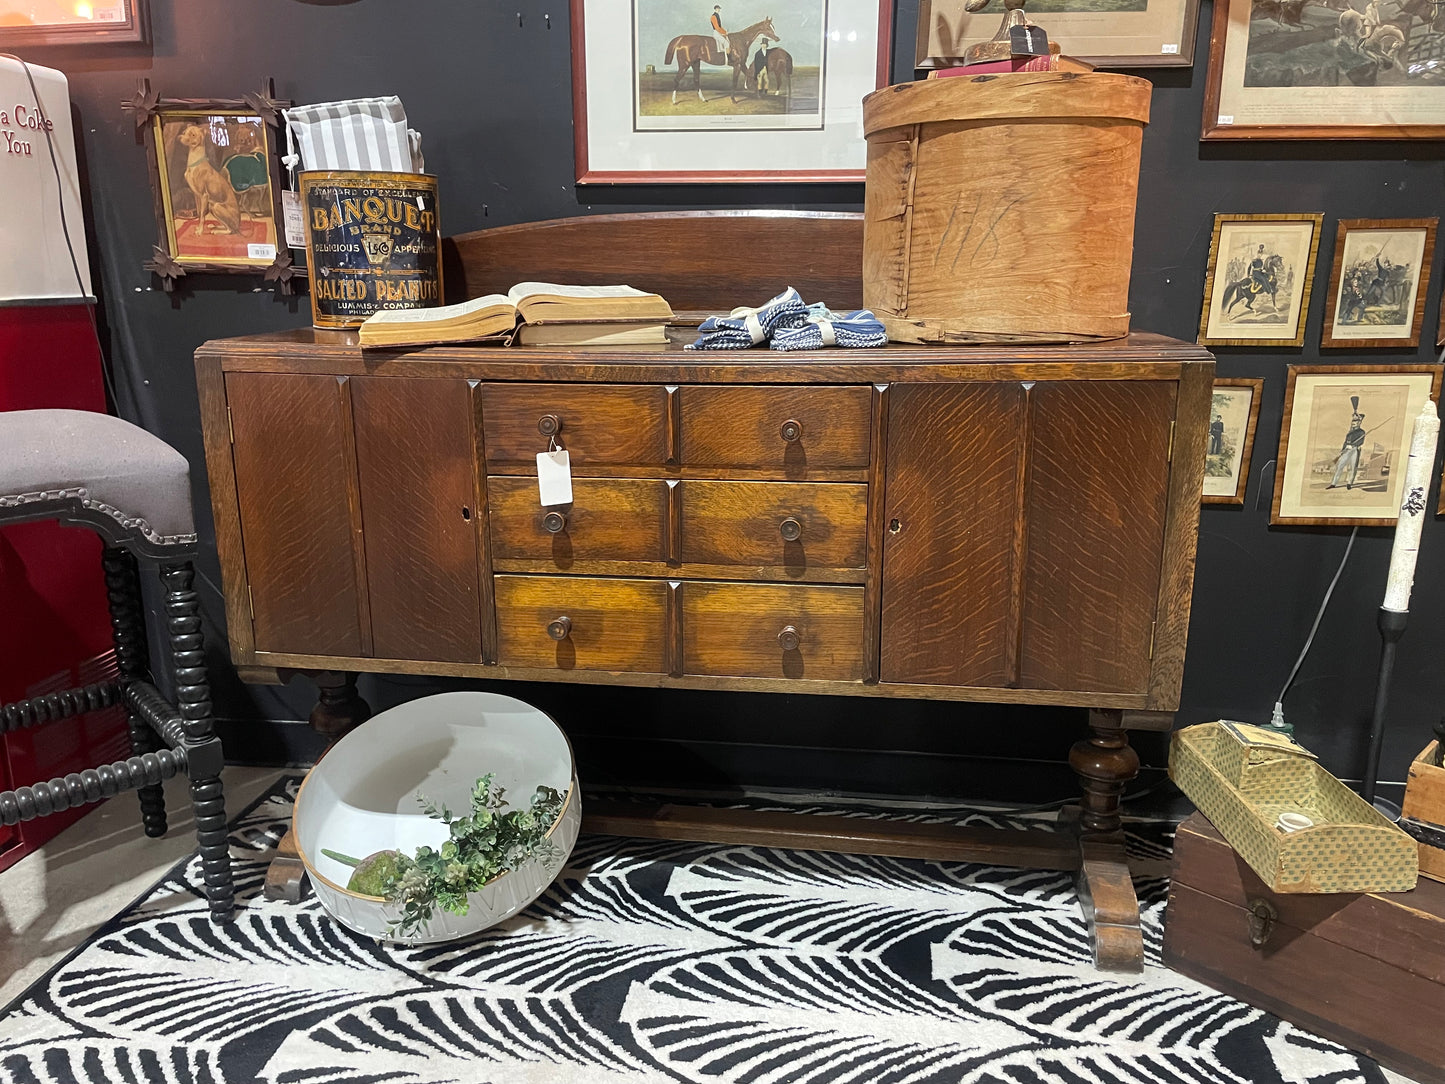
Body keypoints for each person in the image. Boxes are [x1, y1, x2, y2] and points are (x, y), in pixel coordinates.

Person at [1328, 397, 1367, 490]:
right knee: (1340, 466)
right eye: (1353, 421)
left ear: (1359, 422)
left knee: (1352, 467)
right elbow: (1345, 442)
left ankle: (1349, 483)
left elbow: (1361, 442)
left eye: (1355, 421)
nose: (1353, 423)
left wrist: (1353, 445)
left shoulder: (1361, 432)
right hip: (1346, 450)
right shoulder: (1349, 432)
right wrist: (1343, 450)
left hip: (1354, 450)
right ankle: (1333, 483)